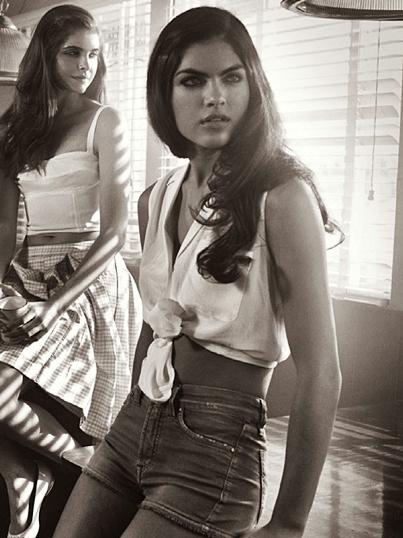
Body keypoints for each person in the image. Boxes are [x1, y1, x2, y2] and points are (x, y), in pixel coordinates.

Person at [53, 6, 342, 538]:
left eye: (232, 78)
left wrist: (289, 523)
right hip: (135, 423)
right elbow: (153, 330)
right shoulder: (155, 198)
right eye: (192, 81)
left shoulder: (282, 199)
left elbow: (322, 370)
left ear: (253, 86)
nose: (216, 97)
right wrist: (126, 417)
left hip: (215, 448)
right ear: (165, 94)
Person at [0, 4, 142, 538]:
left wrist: (53, 306)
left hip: (87, 283)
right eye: (72, 52)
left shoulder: (107, 121)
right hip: (28, 274)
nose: (86, 64)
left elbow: (115, 233)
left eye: (94, 54)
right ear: (45, 56)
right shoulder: (14, 129)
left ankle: (89, 464)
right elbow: (4, 229)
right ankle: (22, 485)